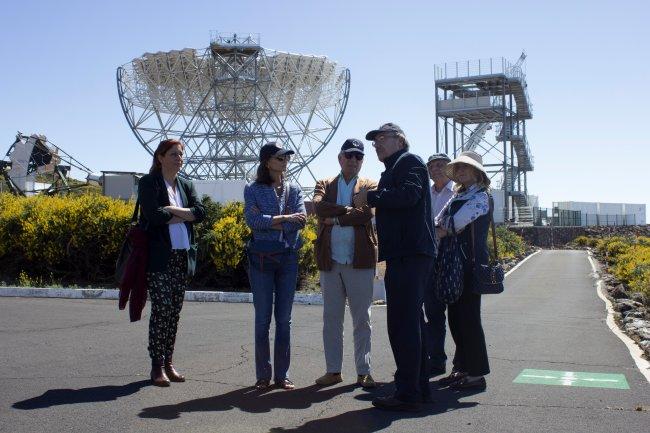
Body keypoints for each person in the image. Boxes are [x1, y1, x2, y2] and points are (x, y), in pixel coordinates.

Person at [354, 123, 436, 412]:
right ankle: (417, 388)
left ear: (400, 140)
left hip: (410, 254)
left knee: (403, 324)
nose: (377, 144)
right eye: (374, 140)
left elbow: (410, 196)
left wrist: (372, 197)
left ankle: (407, 392)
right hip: (405, 254)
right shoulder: (392, 169)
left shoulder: (410, 161)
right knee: (409, 323)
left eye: (382, 138)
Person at [138, 138, 206, 387]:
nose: (179, 158)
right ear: (160, 157)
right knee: (162, 309)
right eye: (173, 154)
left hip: (182, 255)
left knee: (174, 311)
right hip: (159, 257)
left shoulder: (186, 185)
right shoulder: (149, 183)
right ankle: (156, 365)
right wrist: (183, 214)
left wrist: (171, 210)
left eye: (180, 154)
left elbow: (200, 213)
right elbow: (153, 217)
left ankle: (169, 361)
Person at [312, 138, 378, 389]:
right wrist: (349, 209)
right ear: (340, 158)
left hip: (359, 260)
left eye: (358, 156)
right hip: (331, 260)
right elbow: (319, 208)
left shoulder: (370, 184)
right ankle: (333, 371)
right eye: (348, 155)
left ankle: (364, 370)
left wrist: (337, 219)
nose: (353, 160)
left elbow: (366, 213)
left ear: (362, 160)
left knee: (362, 318)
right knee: (332, 319)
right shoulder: (324, 183)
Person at [244, 142, 307, 391]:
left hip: (288, 257)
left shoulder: (294, 189)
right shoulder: (253, 189)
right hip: (261, 258)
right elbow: (253, 220)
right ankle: (263, 375)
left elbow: (301, 221)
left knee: (284, 320)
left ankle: (282, 375)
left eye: (286, 157)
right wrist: (284, 219)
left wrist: (270, 222)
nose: (285, 161)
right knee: (262, 319)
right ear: (267, 161)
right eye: (280, 157)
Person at [435, 150, 491, 391]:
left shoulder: (482, 197)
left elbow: (453, 224)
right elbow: (439, 219)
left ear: (477, 172)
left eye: (465, 168)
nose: (459, 171)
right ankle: (462, 367)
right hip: (453, 263)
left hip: (470, 264)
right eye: (457, 168)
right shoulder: (461, 194)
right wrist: (441, 226)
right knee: (456, 318)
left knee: (469, 318)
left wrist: (442, 226)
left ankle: (476, 373)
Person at [424, 153, 454, 377]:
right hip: (429, 259)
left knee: (458, 315)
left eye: (441, 165)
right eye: (432, 166)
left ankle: (463, 363)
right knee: (433, 312)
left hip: (451, 259)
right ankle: (436, 359)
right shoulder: (427, 193)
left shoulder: (458, 191)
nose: (436, 169)